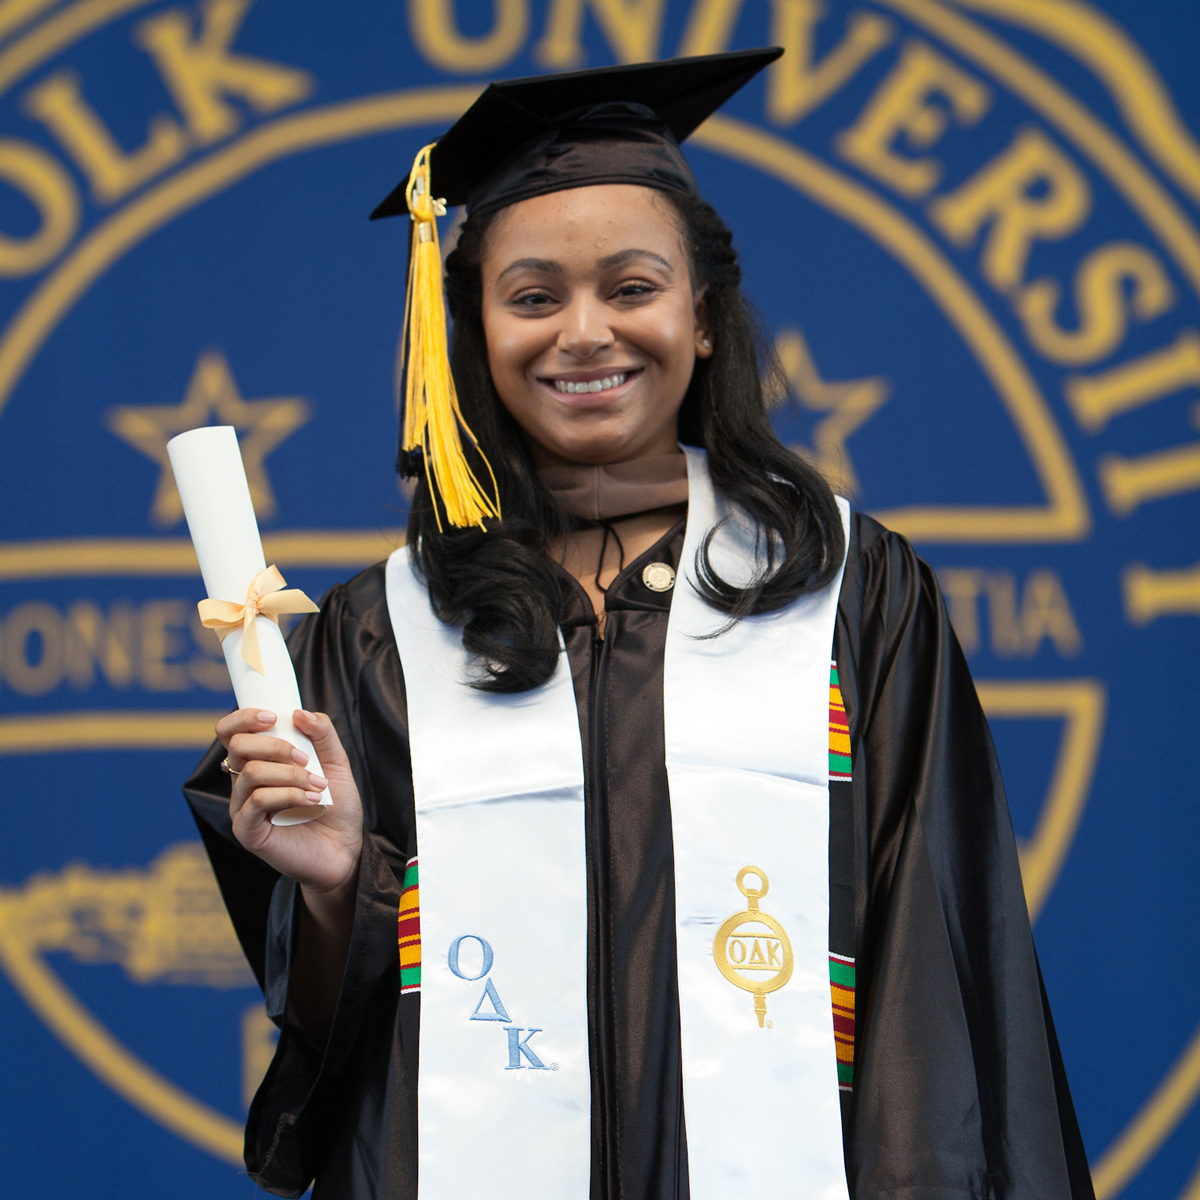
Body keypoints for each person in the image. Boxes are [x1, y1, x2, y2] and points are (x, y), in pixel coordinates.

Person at [185, 49, 1095, 1200]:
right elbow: (345, 1054)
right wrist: (334, 890)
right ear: (472, 331)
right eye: (531, 297)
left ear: (702, 317)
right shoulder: (385, 631)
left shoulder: (848, 593)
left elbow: (936, 966)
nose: (582, 333)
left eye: (630, 287)